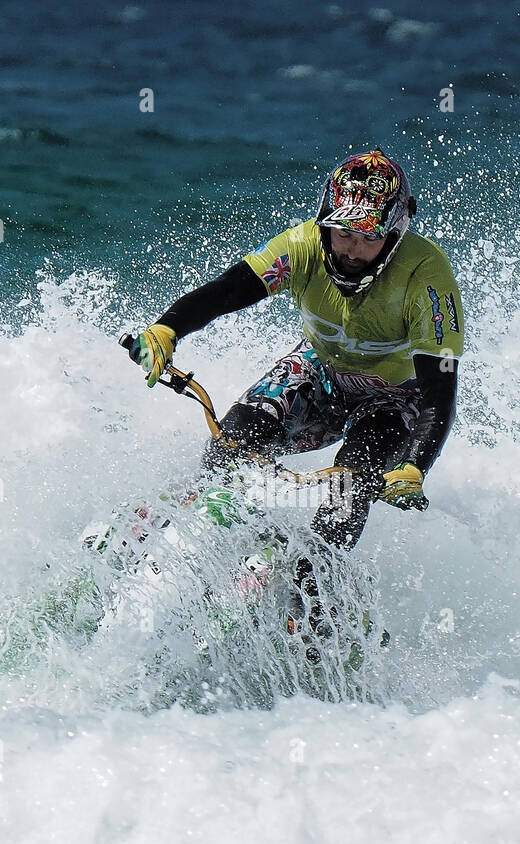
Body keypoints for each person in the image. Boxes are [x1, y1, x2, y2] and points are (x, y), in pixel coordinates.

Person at [125, 148, 463, 633]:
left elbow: (439, 392)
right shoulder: (303, 244)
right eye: (342, 232)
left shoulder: (426, 276)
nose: (349, 249)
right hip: (319, 372)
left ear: (393, 236)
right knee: (235, 439)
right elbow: (227, 291)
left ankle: (312, 597)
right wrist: (167, 330)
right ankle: (194, 524)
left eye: (366, 239)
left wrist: (417, 464)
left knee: (350, 487)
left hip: (394, 399)